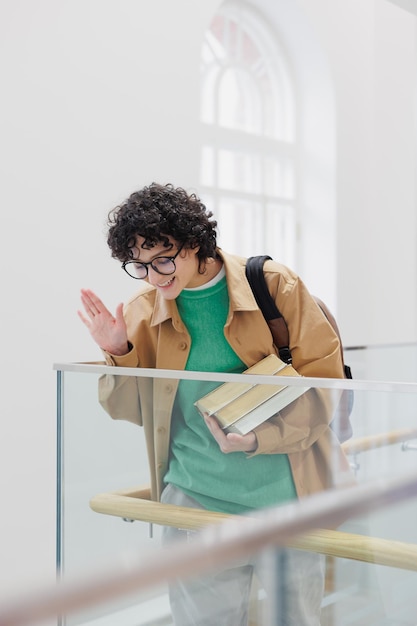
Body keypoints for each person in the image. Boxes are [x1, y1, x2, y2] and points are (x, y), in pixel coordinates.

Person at [78, 182, 352, 626]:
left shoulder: (274, 286)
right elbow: (126, 410)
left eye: (164, 258)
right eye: (139, 265)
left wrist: (255, 439)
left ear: (195, 241)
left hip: (288, 502)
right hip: (194, 505)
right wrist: (119, 350)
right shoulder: (143, 311)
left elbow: (325, 386)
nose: (154, 276)